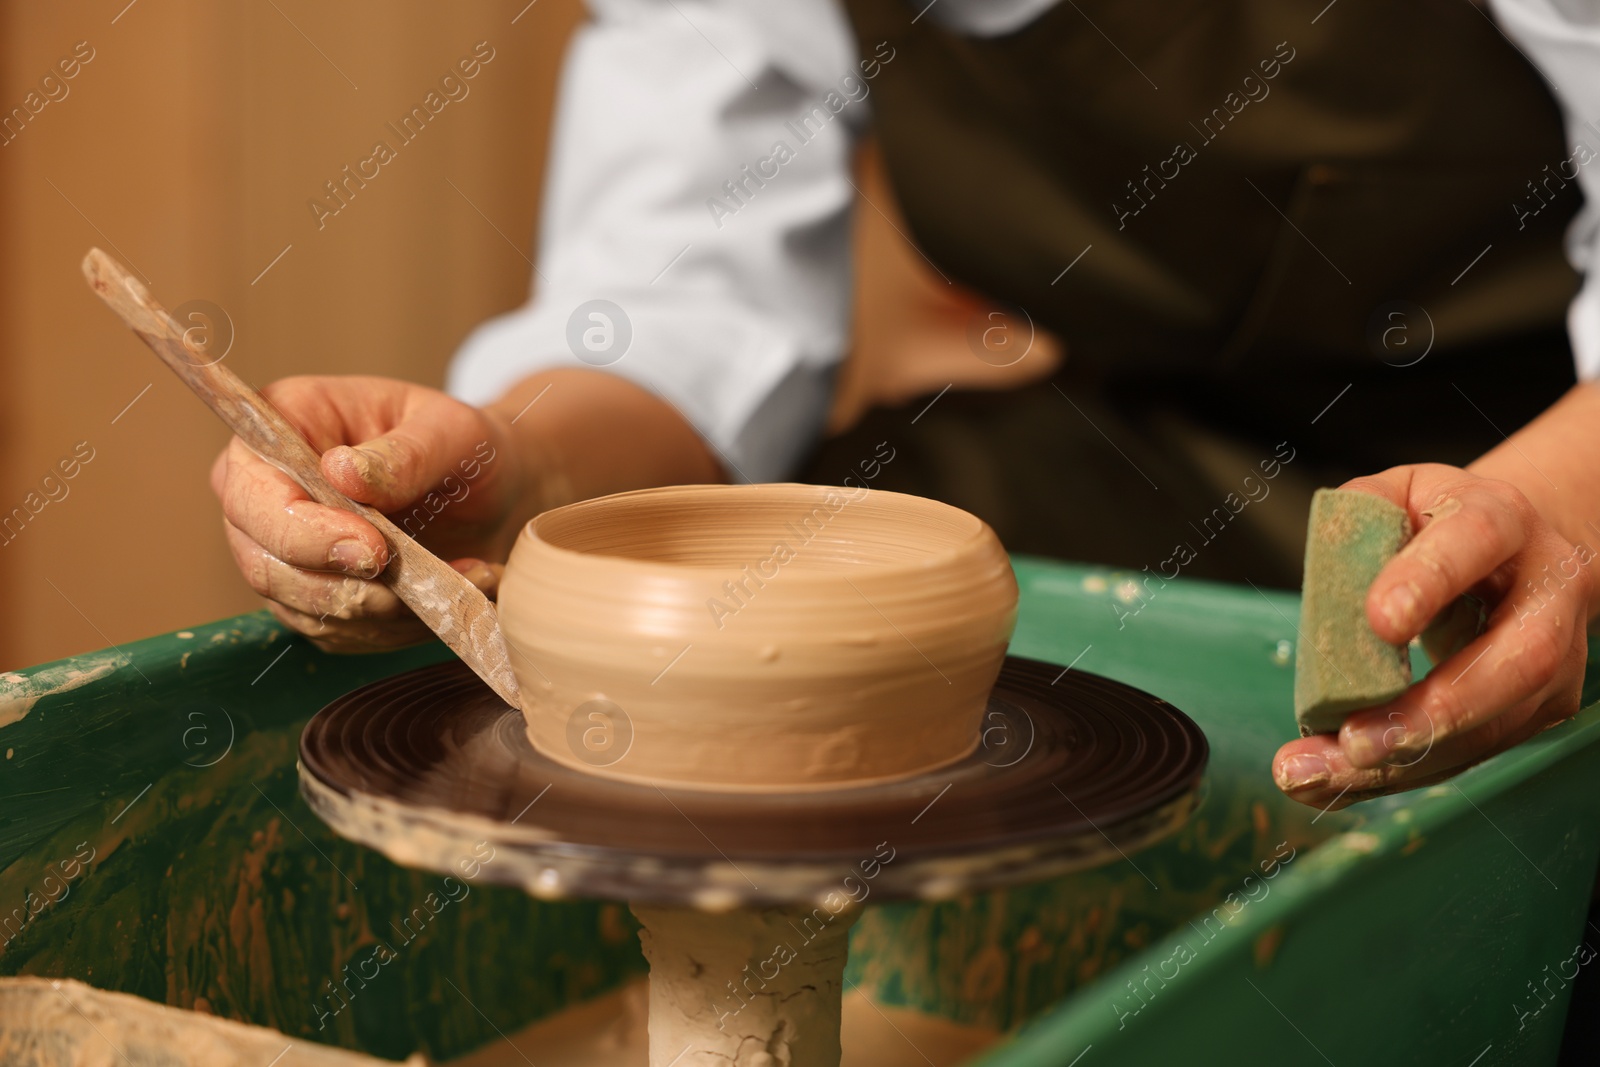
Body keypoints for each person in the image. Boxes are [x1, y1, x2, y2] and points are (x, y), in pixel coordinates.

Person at [212, 0, 1600, 813]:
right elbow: (683, 297)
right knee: (809, 598)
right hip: (1147, 440)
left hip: (1545, 449)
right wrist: (511, 471)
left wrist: (1544, 512)